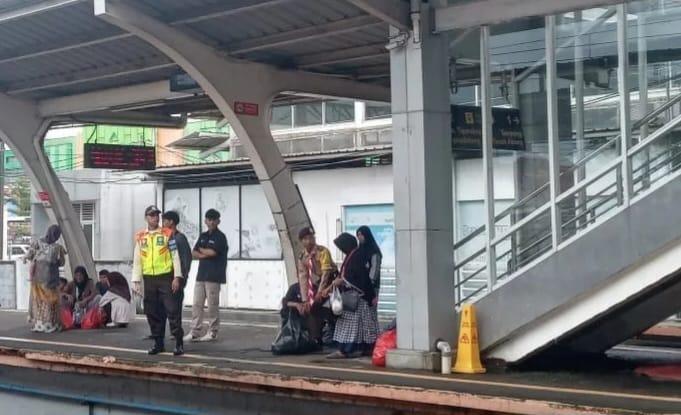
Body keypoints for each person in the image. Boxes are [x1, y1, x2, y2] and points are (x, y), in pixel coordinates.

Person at [132, 205, 185, 356]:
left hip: (165, 278)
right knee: (152, 312)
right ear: (146, 218)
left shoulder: (167, 233)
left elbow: (175, 256)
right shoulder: (141, 236)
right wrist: (136, 280)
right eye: (152, 215)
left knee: (172, 310)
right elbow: (137, 260)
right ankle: (158, 343)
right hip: (149, 279)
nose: (155, 218)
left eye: (157, 215)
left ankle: (179, 342)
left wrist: (177, 277)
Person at [327, 232, 378, 359]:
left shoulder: (355, 257)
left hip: (355, 298)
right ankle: (364, 348)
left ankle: (344, 350)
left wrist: (342, 281)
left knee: (347, 323)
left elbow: (356, 278)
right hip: (361, 298)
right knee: (363, 326)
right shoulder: (354, 255)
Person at [184, 209, 228, 342]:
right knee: (197, 304)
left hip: (214, 276)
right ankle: (195, 331)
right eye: (209, 219)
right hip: (201, 275)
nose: (212, 222)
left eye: (214, 219)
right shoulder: (203, 236)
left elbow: (213, 252)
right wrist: (204, 253)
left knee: (212, 305)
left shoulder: (220, 237)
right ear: (205, 221)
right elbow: (193, 252)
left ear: (218, 221)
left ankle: (213, 331)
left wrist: (202, 251)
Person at [297, 227, 337, 346]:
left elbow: (326, 273)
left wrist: (320, 292)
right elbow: (303, 278)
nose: (310, 241)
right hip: (318, 282)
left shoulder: (323, 251)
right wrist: (305, 299)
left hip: (331, 281)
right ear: (301, 241)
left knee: (316, 306)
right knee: (309, 307)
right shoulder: (302, 256)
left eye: (312, 237)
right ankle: (315, 338)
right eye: (306, 238)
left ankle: (320, 335)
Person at [25, 225, 66, 333]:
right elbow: (62, 262)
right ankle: (46, 324)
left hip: (44, 278)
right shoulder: (55, 247)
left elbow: (29, 256)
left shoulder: (51, 246)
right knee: (44, 302)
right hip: (45, 279)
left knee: (44, 302)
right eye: (56, 235)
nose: (56, 237)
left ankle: (44, 324)